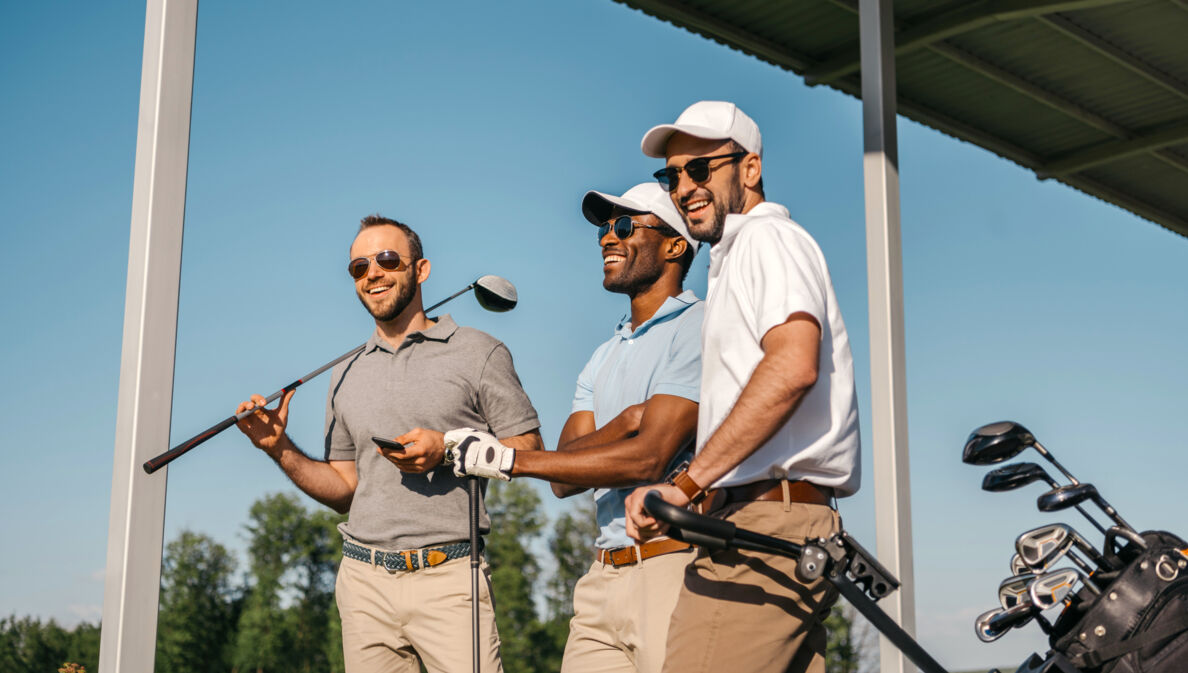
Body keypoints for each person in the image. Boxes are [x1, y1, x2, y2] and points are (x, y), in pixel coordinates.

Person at [234, 214, 542, 673]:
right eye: (359, 267)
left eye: (387, 259)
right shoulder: (346, 373)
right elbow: (343, 489)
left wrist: (450, 447)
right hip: (363, 583)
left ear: (421, 270)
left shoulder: (479, 350)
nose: (372, 273)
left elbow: (530, 449)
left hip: (450, 575)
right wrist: (279, 448)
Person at [623, 101, 861, 673]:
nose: (684, 187)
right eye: (672, 175)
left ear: (749, 170)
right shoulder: (736, 255)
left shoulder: (767, 239)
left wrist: (686, 483)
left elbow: (793, 367)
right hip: (766, 523)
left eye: (701, 169)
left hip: (764, 526)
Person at [445, 183, 702, 673]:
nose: (607, 237)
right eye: (605, 228)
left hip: (675, 566)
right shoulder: (602, 357)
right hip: (603, 577)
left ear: (674, 245)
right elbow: (564, 476)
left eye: (625, 225)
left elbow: (649, 457)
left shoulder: (700, 326)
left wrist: (506, 459)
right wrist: (628, 420)